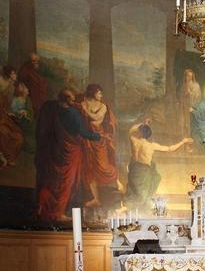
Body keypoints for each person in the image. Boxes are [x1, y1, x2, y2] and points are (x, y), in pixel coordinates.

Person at [36, 89, 101, 222]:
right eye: (71, 99)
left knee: (53, 181)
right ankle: (58, 212)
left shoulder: (52, 109)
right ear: (66, 100)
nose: (74, 101)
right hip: (70, 153)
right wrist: (99, 136)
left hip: (55, 151)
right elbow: (84, 133)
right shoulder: (73, 113)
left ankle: (42, 207)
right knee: (66, 183)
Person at [124, 123, 193, 209]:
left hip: (134, 170)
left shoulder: (135, 141)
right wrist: (183, 141)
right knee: (144, 193)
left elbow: (130, 131)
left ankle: (134, 209)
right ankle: (140, 209)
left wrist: (142, 124)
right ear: (149, 135)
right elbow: (170, 149)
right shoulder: (151, 146)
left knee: (135, 193)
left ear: (140, 132)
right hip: (144, 172)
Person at [80, 84, 124, 207]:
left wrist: (85, 110)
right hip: (87, 140)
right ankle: (96, 198)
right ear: (93, 93)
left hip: (99, 140)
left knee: (104, 166)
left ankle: (118, 181)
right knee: (90, 168)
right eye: (99, 93)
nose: (101, 95)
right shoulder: (84, 102)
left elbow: (96, 119)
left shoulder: (103, 106)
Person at [10, 82, 36, 154]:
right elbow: (13, 113)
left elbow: (31, 112)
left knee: (35, 128)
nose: (27, 90)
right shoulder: (15, 99)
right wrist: (20, 113)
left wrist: (26, 113)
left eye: (25, 87)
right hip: (19, 122)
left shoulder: (28, 99)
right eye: (25, 88)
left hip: (28, 120)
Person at [178, 69, 201, 138]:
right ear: (185, 77)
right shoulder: (184, 85)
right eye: (187, 76)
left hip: (191, 107)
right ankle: (183, 137)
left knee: (189, 123)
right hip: (183, 106)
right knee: (183, 122)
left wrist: (190, 93)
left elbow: (198, 97)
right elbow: (181, 95)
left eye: (190, 76)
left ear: (192, 77)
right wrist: (181, 100)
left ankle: (189, 138)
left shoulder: (196, 85)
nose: (188, 78)